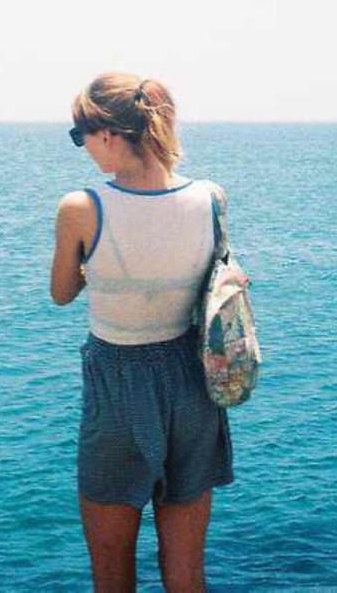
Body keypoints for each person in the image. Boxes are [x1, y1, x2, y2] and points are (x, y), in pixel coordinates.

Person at [50, 73, 234, 592]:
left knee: (112, 574)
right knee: (187, 571)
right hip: (192, 383)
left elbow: (61, 292)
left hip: (118, 384)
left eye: (80, 135)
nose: (82, 147)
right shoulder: (211, 198)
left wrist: (102, 267)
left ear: (108, 134)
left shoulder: (82, 208)